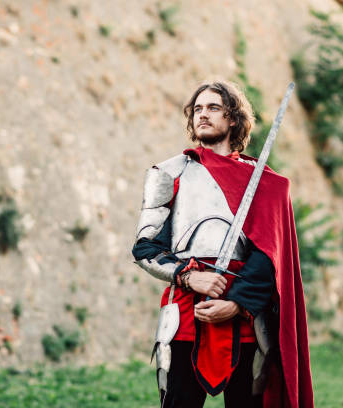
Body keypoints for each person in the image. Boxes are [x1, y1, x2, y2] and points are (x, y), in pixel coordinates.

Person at [132, 80, 313, 408]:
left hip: (245, 315)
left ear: (233, 118)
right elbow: (144, 248)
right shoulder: (168, 173)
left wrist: (237, 303)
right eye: (197, 109)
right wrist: (189, 277)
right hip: (187, 310)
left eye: (213, 108)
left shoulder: (265, 182)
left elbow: (269, 256)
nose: (203, 114)